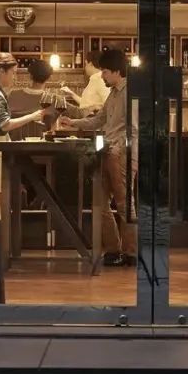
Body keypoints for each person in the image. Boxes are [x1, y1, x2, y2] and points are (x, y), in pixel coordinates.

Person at [58, 49, 135, 266]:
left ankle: (131, 253)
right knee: (100, 203)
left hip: (121, 153)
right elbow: (99, 119)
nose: (102, 76)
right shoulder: (113, 94)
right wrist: (73, 122)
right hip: (107, 151)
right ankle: (113, 250)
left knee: (124, 204)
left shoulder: (131, 93)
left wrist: (125, 152)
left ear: (117, 71)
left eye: (105, 72)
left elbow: (136, 129)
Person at [0, 52, 50, 138]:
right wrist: (32, 116)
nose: (15, 77)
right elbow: (4, 125)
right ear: (2, 71)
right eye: (13, 73)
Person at [7, 59, 58, 139]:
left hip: (14, 145)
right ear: (49, 78)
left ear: (30, 76)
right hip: (42, 145)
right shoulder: (54, 100)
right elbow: (78, 112)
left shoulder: (11, 95)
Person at [62, 50, 109, 116]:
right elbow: (85, 104)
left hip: (91, 120)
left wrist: (95, 108)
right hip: (85, 118)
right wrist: (71, 93)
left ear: (91, 64)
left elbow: (109, 104)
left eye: (86, 64)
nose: (85, 67)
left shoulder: (100, 79)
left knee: (57, 103)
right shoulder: (94, 79)